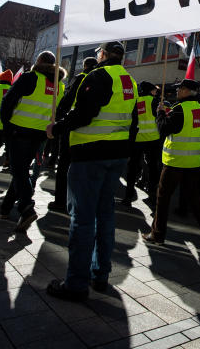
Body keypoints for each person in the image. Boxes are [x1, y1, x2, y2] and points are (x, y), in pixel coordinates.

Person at [47, 41, 138, 301]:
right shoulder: (129, 80)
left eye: (99, 53)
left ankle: (76, 284)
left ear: (105, 55)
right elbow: (132, 121)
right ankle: (100, 274)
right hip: (116, 156)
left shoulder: (98, 75)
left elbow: (85, 113)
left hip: (89, 155)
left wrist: (58, 127)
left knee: (83, 219)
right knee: (105, 215)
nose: (98, 56)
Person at [141, 78, 200, 252]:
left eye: (180, 89)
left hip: (175, 162)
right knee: (195, 199)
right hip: (193, 162)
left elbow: (164, 129)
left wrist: (160, 113)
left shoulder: (180, 110)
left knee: (163, 198)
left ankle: (157, 234)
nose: (177, 91)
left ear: (186, 91)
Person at [0, 51, 65, 232]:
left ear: (40, 61)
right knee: (20, 170)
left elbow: (8, 101)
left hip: (19, 130)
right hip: (40, 134)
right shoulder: (59, 85)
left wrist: (7, 125)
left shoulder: (31, 77)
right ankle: (5, 208)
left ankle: (27, 207)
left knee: (19, 171)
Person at [49, 57, 97, 212]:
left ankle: (60, 201)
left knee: (64, 166)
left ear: (84, 66)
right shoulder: (102, 79)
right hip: (93, 133)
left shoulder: (82, 78)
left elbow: (67, 101)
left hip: (73, 128)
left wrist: (58, 121)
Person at [122, 81, 161, 207]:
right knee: (152, 168)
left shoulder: (135, 101)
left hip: (137, 139)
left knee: (132, 168)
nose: (156, 92)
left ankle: (128, 196)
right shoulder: (155, 102)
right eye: (155, 90)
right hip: (153, 139)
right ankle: (152, 196)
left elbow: (131, 119)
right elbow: (160, 119)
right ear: (150, 90)